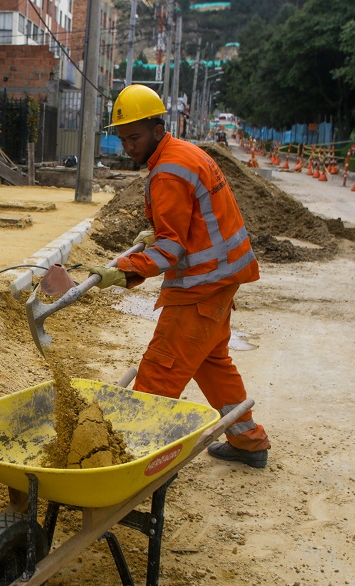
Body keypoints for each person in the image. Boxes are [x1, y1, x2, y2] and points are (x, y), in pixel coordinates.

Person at [87, 85, 270, 468]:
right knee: (211, 361)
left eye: (135, 137)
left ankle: (135, 466)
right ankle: (247, 440)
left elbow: (171, 250)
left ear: (157, 128)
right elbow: (188, 224)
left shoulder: (168, 172)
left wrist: (121, 272)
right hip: (220, 278)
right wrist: (155, 234)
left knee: (158, 374)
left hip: (201, 285)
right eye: (122, 139)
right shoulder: (183, 154)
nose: (128, 147)